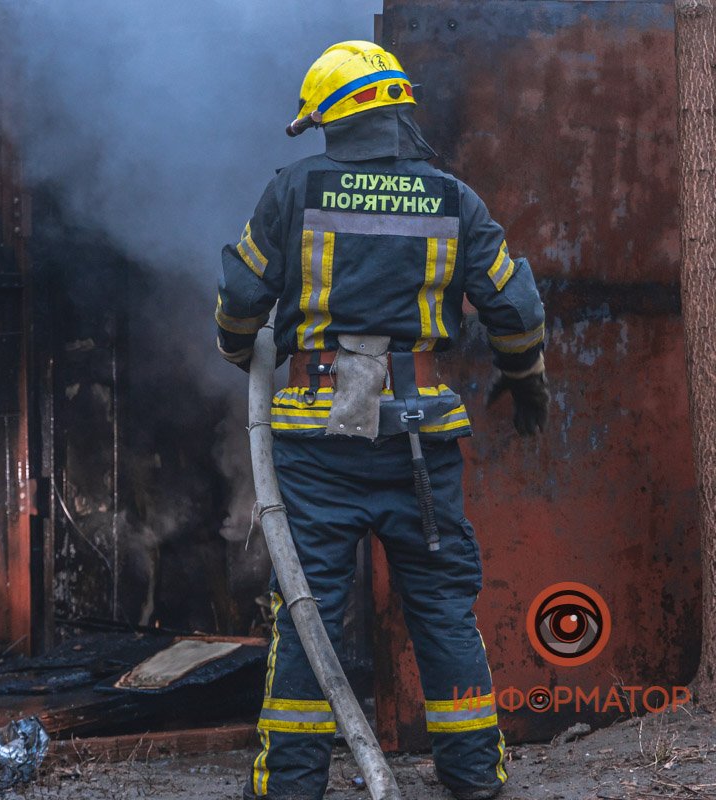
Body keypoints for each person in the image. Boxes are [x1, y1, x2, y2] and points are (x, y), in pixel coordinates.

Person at [216, 41, 548, 800]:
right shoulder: (454, 198)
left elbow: (240, 303)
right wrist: (525, 377)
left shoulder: (293, 190)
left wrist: (241, 352)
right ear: (399, 111)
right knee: (441, 604)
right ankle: (473, 772)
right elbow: (516, 309)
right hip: (418, 439)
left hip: (316, 442)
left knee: (309, 609)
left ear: (327, 120)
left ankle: (291, 781)